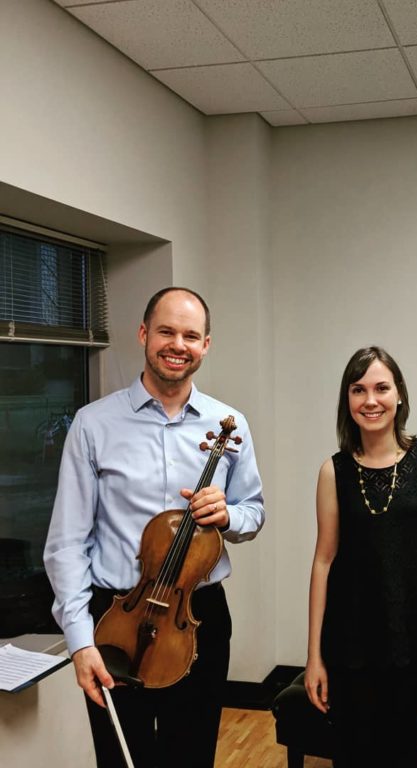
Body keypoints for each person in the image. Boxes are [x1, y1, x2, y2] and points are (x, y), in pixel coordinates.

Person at [44, 287, 265, 768]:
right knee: (123, 758)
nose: (177, 344)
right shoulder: (92, 425)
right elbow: (66, 545)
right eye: (166, 331)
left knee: (192, 756)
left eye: (190, 335)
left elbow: (253, 513)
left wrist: (229, 515)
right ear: (144, 334)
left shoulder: (230, 425)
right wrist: (81, 643)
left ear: (205, 345)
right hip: (118, 621)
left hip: (198, 616)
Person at [304, 346, 417, 768]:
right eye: (358, 389)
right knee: (354, 751)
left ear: (399, 396)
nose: (371, 400)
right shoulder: (334, 471)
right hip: (353, 642)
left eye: (381, 387)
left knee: (403, 751)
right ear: (347, 400)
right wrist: (314, 656)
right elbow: (324, 560)